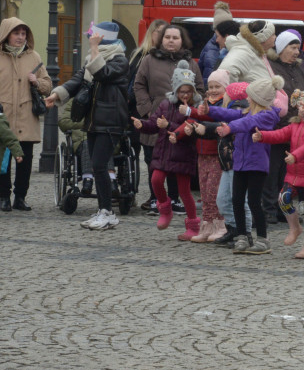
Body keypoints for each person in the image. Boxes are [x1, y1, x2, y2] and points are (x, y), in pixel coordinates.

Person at [46, 23, 130, 230]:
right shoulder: (91, 61)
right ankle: (104, 211)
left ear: (102, 38)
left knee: (100, 166)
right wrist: (58, 94)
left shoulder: (120, 60)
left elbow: (102, 73)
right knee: (97, 166)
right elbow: (77, 80)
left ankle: (107, 212)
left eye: (93, 37)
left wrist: (94, 49)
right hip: (93, 122)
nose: (89, 39)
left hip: (110, 123)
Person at [204, 75, 283, 255]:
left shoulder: (267, 116)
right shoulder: (248, 112)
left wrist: (229, 129)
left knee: (254, 202)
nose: (246, 98)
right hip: (240, 163)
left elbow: (247, 123)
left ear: (257, 98)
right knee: (237, 200)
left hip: (256, 165)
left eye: (250, 95)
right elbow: (229, 114)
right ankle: (242, 236)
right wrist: (209, 110)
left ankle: (263, 238)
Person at [132, 23, 202, 216]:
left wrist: (191, 111)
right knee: (154, 159)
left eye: (175, 38)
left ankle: (174, 198)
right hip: (156, 115)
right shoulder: (149, 60)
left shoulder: (191, 63)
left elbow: (200, 89)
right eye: (167, 37)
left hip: (181, 121)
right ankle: (156, 199)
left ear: (182, 41)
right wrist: (147, 109)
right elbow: (138, 85)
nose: (171, 41)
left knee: (176, 159)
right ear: (161, 39)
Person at [254, 90, 304, 259]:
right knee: (283, 199)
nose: (301, 111)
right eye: (299, 108)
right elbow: (280, 134)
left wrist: (295, 156)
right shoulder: (295, 125)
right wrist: (263, 136)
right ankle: (295, 227)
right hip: (295, 174)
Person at [0, 17, 51, 212]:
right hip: (3, 117)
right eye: (16, 33)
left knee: (25, 160)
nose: (20, 38)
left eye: (23, 34)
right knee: (3, 159)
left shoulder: (34, 57)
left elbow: (47, 85)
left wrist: (36, 82)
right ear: (6, 35)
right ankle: (3, 196)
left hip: (26, 117)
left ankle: (20, 197)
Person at [174, 69, 229, 243]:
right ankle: (207, 225)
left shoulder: (223, 105)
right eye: (210, 86)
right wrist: (178, 133)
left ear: (225, 88)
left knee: (214, 191)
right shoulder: (204, 104)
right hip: (202, 153)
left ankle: (220, 226)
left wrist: (190, 111)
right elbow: (193, 122)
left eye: (217, 86)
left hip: (215, 154)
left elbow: (209, 117)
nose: (213, 90)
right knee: (205, 192)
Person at [263, 29, 304, 224]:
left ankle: (284, 207)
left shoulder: (300, 68)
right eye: (292, 47)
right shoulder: (270, 67)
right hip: (277, 126)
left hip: (296, 127)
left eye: (298, 47)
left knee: (288, 171)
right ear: (281, 48)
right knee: (272, 169)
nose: (297, 51)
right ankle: (268, 208)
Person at [128, 19, 168, 213]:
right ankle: (151, 196)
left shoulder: (171, 58)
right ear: (152, 34)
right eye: (159, 32)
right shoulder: (140, 57)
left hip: (166, 116)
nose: (162, 37)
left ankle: (165, 197)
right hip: (143, 115)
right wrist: (146, 110)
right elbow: (133, 88)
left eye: (166, 33)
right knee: (148, 157)